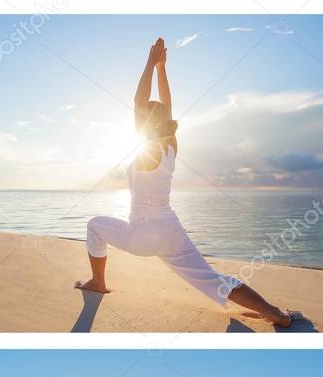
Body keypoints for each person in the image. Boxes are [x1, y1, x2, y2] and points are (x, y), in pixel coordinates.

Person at [77, 38, 305, 329]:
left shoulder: (149, 147)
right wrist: (162, 69)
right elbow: (168, 108)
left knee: (95, 225)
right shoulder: (171, 147)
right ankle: (276, 314)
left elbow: (139, 103)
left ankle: (97, 282)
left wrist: (150, 62)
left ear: (146, 123)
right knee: (214, 278)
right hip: (171, 229)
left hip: (143, 233)